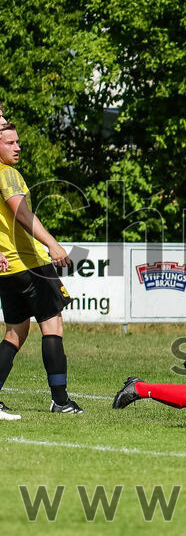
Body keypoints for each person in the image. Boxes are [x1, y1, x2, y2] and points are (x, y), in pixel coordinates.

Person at [0, 119, 80, 420]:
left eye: (18, 141)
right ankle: (60, 400)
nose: (17, 146)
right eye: (10, 142)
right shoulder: (7, 174)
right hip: (30, 263)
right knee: (53, 325)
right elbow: (21, 213)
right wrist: (52, 243)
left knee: (16, 333)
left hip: (7, 267)